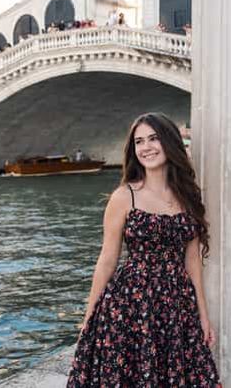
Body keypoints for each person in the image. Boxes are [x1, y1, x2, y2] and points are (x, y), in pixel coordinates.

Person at [67, 113, 221, 387]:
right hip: (131, 305)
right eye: (139, 142)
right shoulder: (124, 197)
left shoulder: (188, 196)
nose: (146, 147)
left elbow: (192, 260)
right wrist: (89, 319)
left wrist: (203, 315)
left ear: (169, 142)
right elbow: (107, 259)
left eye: (153, 139)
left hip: (177, 306)